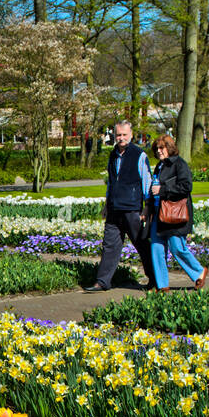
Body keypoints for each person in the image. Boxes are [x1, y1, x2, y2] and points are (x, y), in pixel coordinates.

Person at [84, 119, 153, 293]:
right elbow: (111, 182)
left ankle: (155, 279)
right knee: (110, 245)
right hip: (114, 208)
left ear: (131, 135)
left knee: (141, 244)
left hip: (132, 208)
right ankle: (102, 282)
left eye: (124, 135)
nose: (121, 138)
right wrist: (107, 204)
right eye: (118, 135)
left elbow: (147, 182)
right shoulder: (113, 154)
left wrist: (147, 206)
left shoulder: (139, 155)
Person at [148, 134, 206, 292]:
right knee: (157, 248)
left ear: (169, 148)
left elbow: (186, 186)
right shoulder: (159, 166)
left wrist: (163, 190)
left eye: (162, 148)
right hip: (158, 214)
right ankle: (162, 285)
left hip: (175, 214)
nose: (159, 151)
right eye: (157, 148)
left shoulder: (179, 164)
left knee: (177, 248)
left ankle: (199, 272)